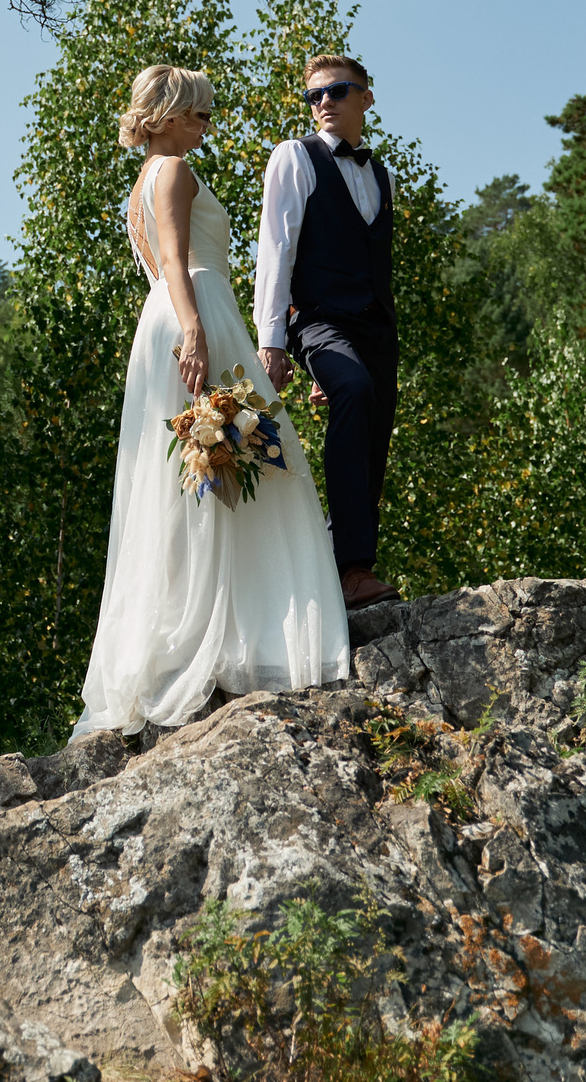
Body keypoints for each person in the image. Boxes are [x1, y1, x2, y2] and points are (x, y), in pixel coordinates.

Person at [69, 65, 351, 742]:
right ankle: (243, 635)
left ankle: (209, 629)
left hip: (167, 319)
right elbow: (173, 259)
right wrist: (196, 330)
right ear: (167, 114)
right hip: (195, 313)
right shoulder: (171, 170)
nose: (205, 124)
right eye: (198, 112)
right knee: (254, 467)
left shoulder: (144, 179)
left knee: (207, 472)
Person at [253, 54, 401, 610]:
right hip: (316, 317)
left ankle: (360, 569)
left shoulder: (383, 176)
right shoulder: (295, 157)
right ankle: (348, 567)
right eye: (314, 95)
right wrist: (272, 342)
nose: (324, 103)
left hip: (376, 329)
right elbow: (276, 250)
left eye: (337, 91)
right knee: (354, 389)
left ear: (366, 97)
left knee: (373, 434)